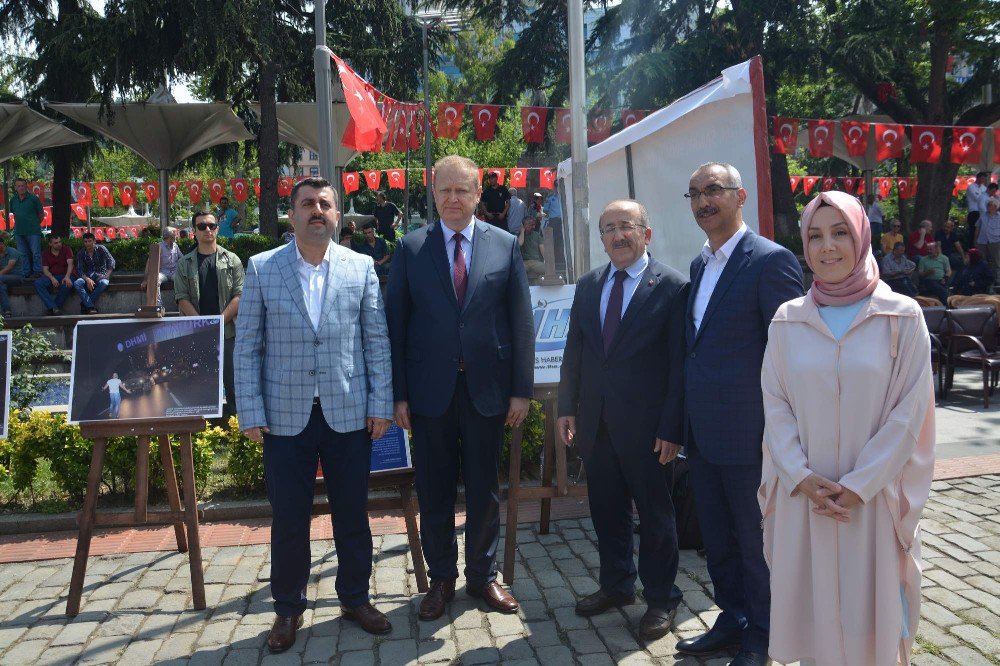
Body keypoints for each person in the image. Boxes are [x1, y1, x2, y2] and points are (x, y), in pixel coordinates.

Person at [760, 189, 935, 666]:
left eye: (840, 233)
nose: (827, 247)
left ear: (862, 238)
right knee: (815, 622)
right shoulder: (787, 321)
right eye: (815, 236)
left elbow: (908, 414)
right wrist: (799, 477)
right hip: (807, 499)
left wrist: (859, 486)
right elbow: (775, 409)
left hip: (873, 503)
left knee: (870, 624)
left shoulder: (901, 317)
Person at [234, 177, 394, 651]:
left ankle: (355, 597)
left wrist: (380, 403)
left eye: (325, 204)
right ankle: (286, 609)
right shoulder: (262, 269)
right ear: (292, 215)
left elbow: (376, 341)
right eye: (307, 204)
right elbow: (248, 347)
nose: (317, 211)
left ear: (338, 215)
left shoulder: (361, 267)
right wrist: (250, 410)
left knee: (353, 515)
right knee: (288, 519)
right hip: (284, 416)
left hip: (349, 412)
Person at [386, 155, 533, 622]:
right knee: (434, 489)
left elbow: (520, 322)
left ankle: (482, 576)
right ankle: (441, 579)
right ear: (434, 193)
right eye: (445, 190)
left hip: (488, 390)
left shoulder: (506, 246)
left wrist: (521, 391)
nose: (453, 198)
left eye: (462, 190)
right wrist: (399, 394)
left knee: (485, 487)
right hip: (430, 393)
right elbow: (397, 326)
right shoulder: (411, 248)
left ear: (476, 194)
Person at [680, 162, 804, 666]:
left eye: (713, 191)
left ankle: (767, 634)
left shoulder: (770, 261)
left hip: (752, 436)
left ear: (741, 196)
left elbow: (791, 354)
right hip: (704, 435)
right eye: (694, 194)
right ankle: (733, 617)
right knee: (718, 540)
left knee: (757, 545)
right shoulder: (698, 264)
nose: (703, 201)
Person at [557, 199, 688, 641]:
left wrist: (673, 427)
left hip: (650, 431)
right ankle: (616, 586)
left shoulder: (671, 286)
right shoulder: (590, 284)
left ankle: (660, 598)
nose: (617, 235)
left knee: (655, 516)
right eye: (608, 228)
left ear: (645, 233)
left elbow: (678, 365)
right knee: (606, 511)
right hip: (596, 425)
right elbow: (575, 351)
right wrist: (565, 407)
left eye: (626, 226)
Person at [175, 211, 244, 418]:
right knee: (199, 383)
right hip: (197, 334)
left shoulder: (232, 260)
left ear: (217, 229)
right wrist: (203, 325)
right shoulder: (184, 263)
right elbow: (181, 297)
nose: (208, 230)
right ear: (194, 231)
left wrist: (218, 322)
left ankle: (236, 431)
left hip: (228, 332)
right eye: (202, 226)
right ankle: (202, 434)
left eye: (212, 226)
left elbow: (239, 295)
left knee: (233, 384)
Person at [73, 232, 116, 314]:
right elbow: (79, 269)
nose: (87, 243)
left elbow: (111, 261)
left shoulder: (101, 248)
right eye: (85, 241)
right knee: (77, 283)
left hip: (101, 275)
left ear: (94, 241)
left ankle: (85, 304)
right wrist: (87, 279)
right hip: (86, 276)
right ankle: (90, 306)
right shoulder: (81, 253)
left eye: (89, 241)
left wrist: (106, 276)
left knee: (104, 283)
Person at [10, 178, 44, 277]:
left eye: (23, 185)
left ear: (26, 186)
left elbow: (41, 215)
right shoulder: (13, 200)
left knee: (36, 253)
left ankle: (37, 272)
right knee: (22, 254)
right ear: (15, 187)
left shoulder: (34, 199)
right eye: (18, 186)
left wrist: (34, 224)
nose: (21, 188)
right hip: (19, 232)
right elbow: (15, 214)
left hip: (33, 231)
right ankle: (26, 273)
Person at [141, 227, 183, 305]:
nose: (176, 235)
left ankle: (181, 304)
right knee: (155, 280)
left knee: (181, 280)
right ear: (170, 236)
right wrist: (145, 279)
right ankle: (159, 305)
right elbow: (149, 263)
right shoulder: (158, 246)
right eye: (175, 234)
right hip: (163, 272)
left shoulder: (175, 246)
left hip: (174, 272)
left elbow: (183, 259)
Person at [34, 235, 75, 316]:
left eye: (60, 242)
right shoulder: (45, 253)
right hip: (53, 275)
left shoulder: (67, 249)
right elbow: (45, 269)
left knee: (66, 285)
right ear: (50, 244)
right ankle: (54, 308)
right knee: (38, 283)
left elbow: (71, 264)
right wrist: (52, 278)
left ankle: (53, 308)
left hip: (67, 274)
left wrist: (67, 277)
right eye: (56, 243)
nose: (59, 244)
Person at [0, 236, 25, 318]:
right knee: (1, 287)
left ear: (2, 244)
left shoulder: (12, 251)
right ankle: (7, 310)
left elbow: (9, 267)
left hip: (17, 277)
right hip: (3, 279)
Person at [965, 171, 989, 249]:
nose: (983, 180)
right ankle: (970, 249)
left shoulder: (984, 188)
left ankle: (979, 249)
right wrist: (985, 198)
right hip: (974, 212)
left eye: (984, 179)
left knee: (981, 231)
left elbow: (988, 200)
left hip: (983, 212)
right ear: (977, 178)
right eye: (982, 178)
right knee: (973, 231)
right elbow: (977, 198)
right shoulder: (971, 187)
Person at [543, 190, 565, 273]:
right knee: (554, 240)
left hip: (562, 220)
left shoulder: (564, 194)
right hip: (554, 220)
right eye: (556, 185)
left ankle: (562, 259)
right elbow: (545, 210)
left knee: (562, 240)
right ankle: (555, 260)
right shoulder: (550, 197)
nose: (557, 187)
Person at [982, 197, 1000, 285]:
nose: (988, 207)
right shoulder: (983, 215)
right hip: (983, 241)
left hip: (995, 241)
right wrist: (976, 240)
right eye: (988, 205)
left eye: (990, 205)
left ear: (995, 207)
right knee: (984, 260)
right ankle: (986, 280)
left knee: (996, 261)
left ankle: (997, 281)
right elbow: (978, 228)